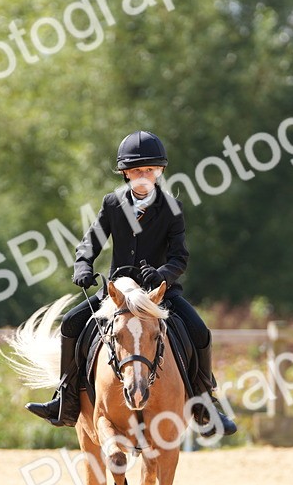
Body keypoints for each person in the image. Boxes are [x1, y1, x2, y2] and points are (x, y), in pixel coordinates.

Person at [25, 130, 237, 435]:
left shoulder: (171, 208)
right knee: (71, 324)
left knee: (200, 333)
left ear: (160, 171)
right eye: (137, 170)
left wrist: (163, 275)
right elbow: (91, 242)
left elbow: (180, 257)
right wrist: (83, 265)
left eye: (150, 170)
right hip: (118, 294)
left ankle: (205, 405)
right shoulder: (112, 204)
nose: (143, 176)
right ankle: (65, 398)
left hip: (157, 295)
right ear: (126, 173)